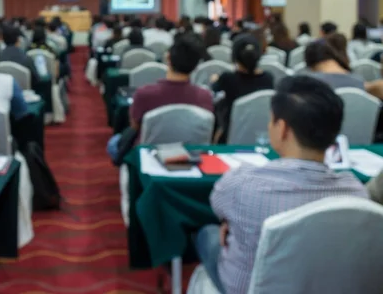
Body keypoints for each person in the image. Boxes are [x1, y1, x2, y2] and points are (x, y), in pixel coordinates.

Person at [195, 75, 367, 294]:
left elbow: (218, 205)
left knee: (207, 234)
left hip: (245, 288)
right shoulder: (356, 195)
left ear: (283, 128)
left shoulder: (242, 184)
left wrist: (230, 222)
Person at [107, 35, 213, 161]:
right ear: (196, 66)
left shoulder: (144, 93)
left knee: (113, 143)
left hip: (148, 156)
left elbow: (135, 126)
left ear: (167, 58)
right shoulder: (205, 96)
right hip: (191, 156)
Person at [212, 34, 274, 143]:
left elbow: (214, 90)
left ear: (234, 57)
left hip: (231, 136)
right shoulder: (269, 78)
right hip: (262, 136)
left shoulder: (228, 78)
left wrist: (214, 80)